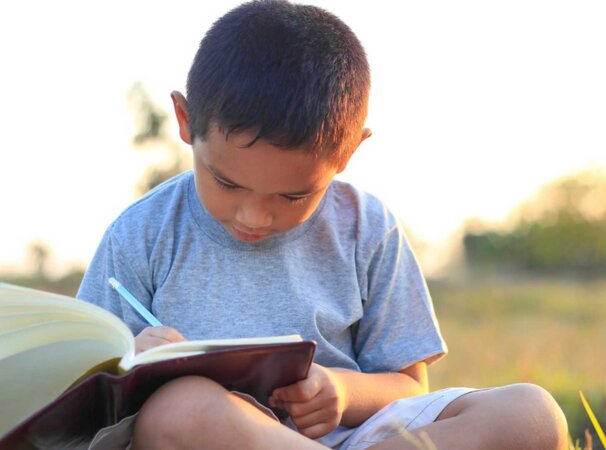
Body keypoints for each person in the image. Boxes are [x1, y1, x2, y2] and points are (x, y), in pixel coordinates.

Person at [77, 1, 569, 448]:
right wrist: (130, 359)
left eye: (293, 196)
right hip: (219, 440)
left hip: (352, 440)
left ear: (349, 151)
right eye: (226, 182)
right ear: (186, 121)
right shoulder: (140, 235)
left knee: (531, 414)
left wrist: (341, 390)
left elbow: (408, 384)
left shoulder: (366, 228)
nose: (254, 216)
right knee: (180, 409)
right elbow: (77, 403)